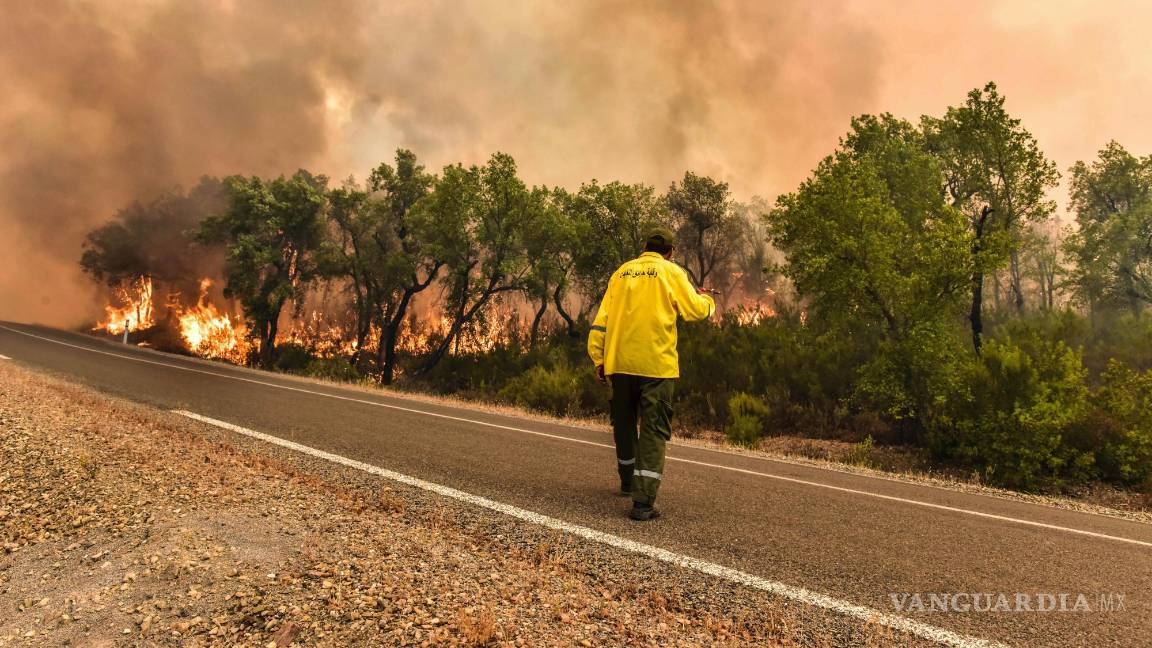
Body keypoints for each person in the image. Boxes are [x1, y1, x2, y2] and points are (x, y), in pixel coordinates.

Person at [587, 227, 716, 521]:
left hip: (619, 362)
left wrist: (599, 358)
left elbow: (601, 321)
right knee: (654, 430)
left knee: (623, 424)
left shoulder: (621, 273)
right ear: (671, 252)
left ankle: (627, 481)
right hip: (657, 366)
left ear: (644, 247)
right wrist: (708, 301)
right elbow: (694, 310)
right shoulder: (672, 272)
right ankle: (643, 502)